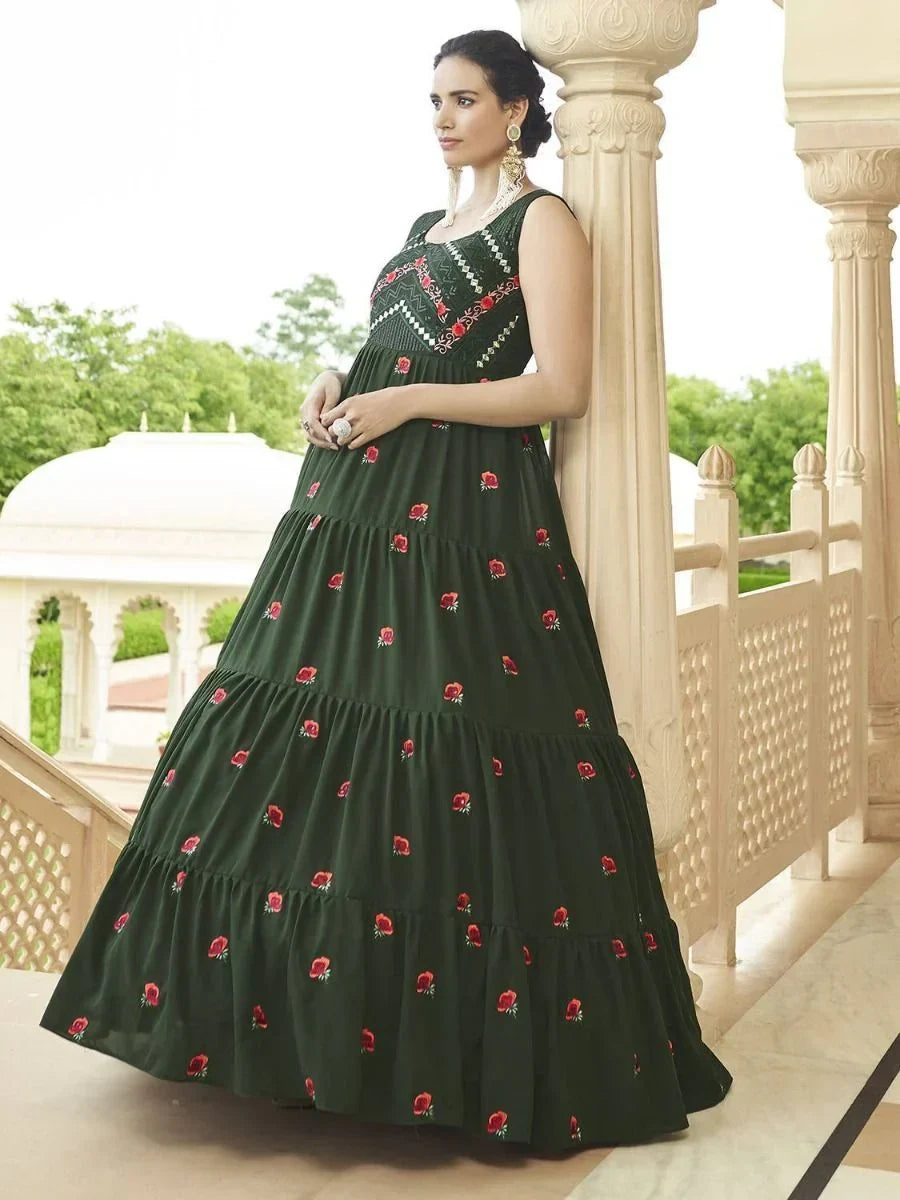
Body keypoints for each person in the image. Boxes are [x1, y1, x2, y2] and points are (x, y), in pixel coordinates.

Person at [38, 28, 732, 1154]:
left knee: (454, 759)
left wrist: (409, 404)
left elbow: (559, 384)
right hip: (352, 522)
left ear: (517, 112)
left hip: (466, 526)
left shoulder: (540, 221)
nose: (445, 119)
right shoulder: (425, 230)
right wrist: (338, 378)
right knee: (308, 764)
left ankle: (453, 1059)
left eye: (466, 99)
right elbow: (389, 347)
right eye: (435, 101)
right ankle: (291, 1036)